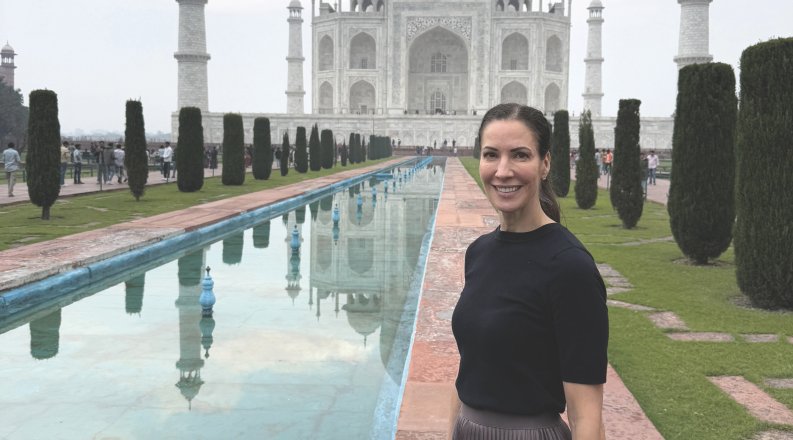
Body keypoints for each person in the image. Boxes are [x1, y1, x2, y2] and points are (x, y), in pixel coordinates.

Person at [451, 103, 608, 440]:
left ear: (545, 164)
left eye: (520, 155)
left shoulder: (569, 266)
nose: (502, 171)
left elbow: (586, 414)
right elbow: (469, 368)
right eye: (491, 155)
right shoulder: (479, 252)